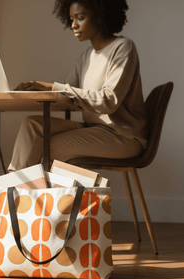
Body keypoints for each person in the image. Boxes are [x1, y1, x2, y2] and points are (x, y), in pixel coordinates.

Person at [8, 0, 148, 172]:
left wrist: (51, 87)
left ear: (99, 16)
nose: (73, 25)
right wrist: (36, 92)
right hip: (95, 129)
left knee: (40, 146)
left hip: (123, 136)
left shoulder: (123, 47)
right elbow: (68, 94)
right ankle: (13, 189)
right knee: (32, 125)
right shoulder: (86, 56)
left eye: (80, 18)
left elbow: (108, 101)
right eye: (71, 19)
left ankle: (15, 194)